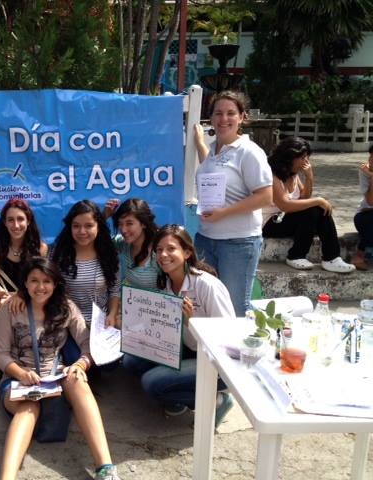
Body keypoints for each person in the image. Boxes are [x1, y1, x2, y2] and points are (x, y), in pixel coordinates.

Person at [0, 258, 121, 480]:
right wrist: (21, 374)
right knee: (28, 408)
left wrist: (81, 364)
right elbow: (0, 354)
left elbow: (88, 344)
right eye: (34, 280)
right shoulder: (12, 308)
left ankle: (106, 468)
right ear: (24, 282)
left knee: (78, 380)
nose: (40, 287)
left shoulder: (66, 308)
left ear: (55, 284)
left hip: (53, 376)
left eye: (46, 281)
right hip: (18, 380)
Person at [123, 225, 235, 424]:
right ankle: (177, 399)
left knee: (151, 383)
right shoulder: (166, 284)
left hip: (216, 362)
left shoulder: (207, 286)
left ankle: (217, 400)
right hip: (185, 350)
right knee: (131, 360)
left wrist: (192, 323)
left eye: (171, 249)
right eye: (158, 250)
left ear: (187, 252)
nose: (163, 254)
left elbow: (228, 338)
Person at [192, 91, 273, 315]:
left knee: (234, 307)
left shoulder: (249, 152)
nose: (223, 119)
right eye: (218, 113)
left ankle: (242, 351)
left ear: (242, 117)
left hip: (238, 243)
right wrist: (199, 143)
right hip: (206, 239)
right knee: (207, 306)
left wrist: (224, 212)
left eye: (230, 113)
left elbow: (266, 196)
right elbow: (212, 170)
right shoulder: (214, 152)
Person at [0, 199, 48, 408]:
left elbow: (42, 286)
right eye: (10, 220)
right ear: (4, 223)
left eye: (20, 219)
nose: (16, 225)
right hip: (6, 304)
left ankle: (27, 370)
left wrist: (19, 295)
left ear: (28, 221)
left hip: (32, 301)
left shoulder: (40, 249)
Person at [263, 137, 355, 273]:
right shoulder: (272, 175)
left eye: (307, 157)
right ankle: (296, 256)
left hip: (287, 219)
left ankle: (332, 258)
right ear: (289, 158)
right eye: (302, 158)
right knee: (314, 208)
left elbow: (304, 198)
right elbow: (285, 205)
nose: (306, 162)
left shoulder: (293, 175)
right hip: (270, 222)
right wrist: (319, 200)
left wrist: (309, 177)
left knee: (319, 210)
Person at [50, 200, 120, 365]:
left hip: (101, 324)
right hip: (71, 323)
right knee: (75, 359)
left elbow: (115, 289)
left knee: (109, 366)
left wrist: (111, 315)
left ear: (98, 226)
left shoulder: (109, 253)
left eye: (89, 225)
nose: (82, 231)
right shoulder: (60, 254)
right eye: (76, 226)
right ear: (70, 227)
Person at [105, 198, 162, 291]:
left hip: (160, 304)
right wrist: (104, 216)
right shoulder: (122, 243)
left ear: (143, 223)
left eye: (129, 223)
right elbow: (95, 240)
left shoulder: (159, 251)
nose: (123, 230)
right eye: (120, 224)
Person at [352, 144, 373, 270]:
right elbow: (370, 201)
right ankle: (359, 255)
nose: (370, 160)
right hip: (364, 216)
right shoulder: (365, 171)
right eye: (370, 156)